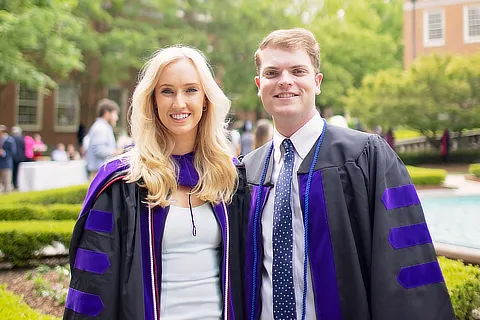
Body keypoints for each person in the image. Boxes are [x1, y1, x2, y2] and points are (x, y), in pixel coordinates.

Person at [235, 28, 454, 320]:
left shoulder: (366, 156)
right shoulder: (246, 171)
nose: (285, 81)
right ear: (259, 84)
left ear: (317, 81)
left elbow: (405, 264)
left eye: (298, 70)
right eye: (273, 73)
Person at [64, 45, 244, 320]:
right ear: (152, 100)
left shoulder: (229, 177)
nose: (179, 103)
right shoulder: (123, 182)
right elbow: (93, 285)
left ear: (206, 99)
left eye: (191, 90)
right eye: (167, 91)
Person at [85, 98, 120, 179]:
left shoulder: (102, 127)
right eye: (115, 114)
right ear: (106, 113)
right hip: (98, 173)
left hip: (100, 172)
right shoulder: (101, 128)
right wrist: (117, 152)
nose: (117, 118)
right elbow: (99, 150)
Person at [0, 125, 17, 194]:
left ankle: (7, 195)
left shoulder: (10, 140)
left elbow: (13, 152)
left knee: (7, 182)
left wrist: (3, 153)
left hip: (6, 164)